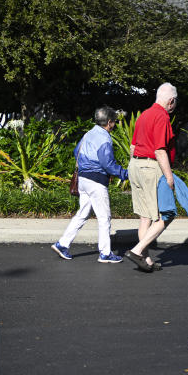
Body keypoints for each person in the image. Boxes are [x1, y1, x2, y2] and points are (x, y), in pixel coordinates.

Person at [51, 107, 128, 263]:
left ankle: (62, 244)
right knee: (104, 217)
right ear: (109, 122)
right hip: (96, 181)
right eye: (113, 122)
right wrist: (126, 174)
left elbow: (76, 151)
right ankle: (105, 253)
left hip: (83, 180)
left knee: (83, 213)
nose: (114, 125)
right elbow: (108, 164)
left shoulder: (88, 134)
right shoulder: (105, 138)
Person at [125, 82, 178, 273]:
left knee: (145, 217)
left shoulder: (144, 115)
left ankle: (145, 259)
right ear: (171, 101)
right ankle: (137, 250)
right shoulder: (162, 116)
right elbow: (159, 150)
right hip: (150, 167)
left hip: (135, 165)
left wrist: (135, 167)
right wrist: (169, 177)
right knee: (168, 213)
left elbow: (132, 147)